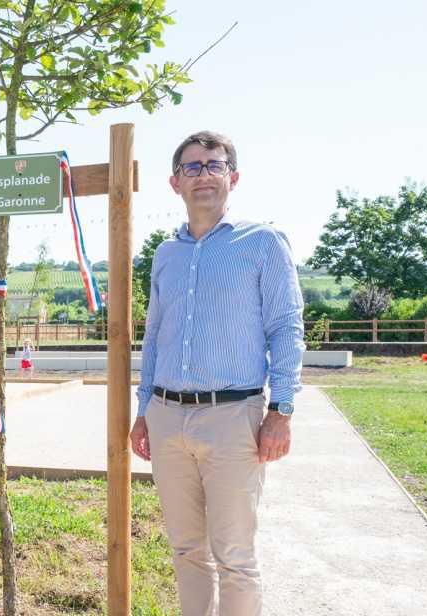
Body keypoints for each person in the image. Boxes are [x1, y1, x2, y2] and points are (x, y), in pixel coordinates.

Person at [128, 131, 304, 616]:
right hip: (166, 419)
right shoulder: (166, 255)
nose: (203, 174)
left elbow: (286, 328)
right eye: (192, 166)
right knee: (187, 552)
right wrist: (144, 413)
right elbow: (155, 337)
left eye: (213, 164)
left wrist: (281, 412)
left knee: (235, 559)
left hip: (234, 420)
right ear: (174, 182)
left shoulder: (263, 243)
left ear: (233, 176)